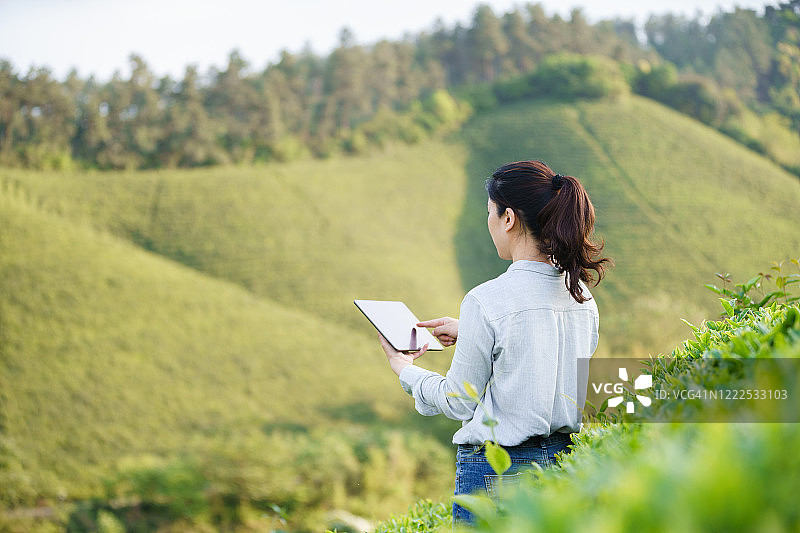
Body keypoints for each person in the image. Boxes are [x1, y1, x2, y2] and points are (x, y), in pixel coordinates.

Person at [379, 160, 611, 525]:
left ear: (508, 219)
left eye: (490, 212)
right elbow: (548, 360)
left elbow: (458, 402)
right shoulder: (580, 295)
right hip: (565, 465)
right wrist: (471, 330)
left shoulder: (487, 301)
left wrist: (405, 371)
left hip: (497, 471)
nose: (488, 222)